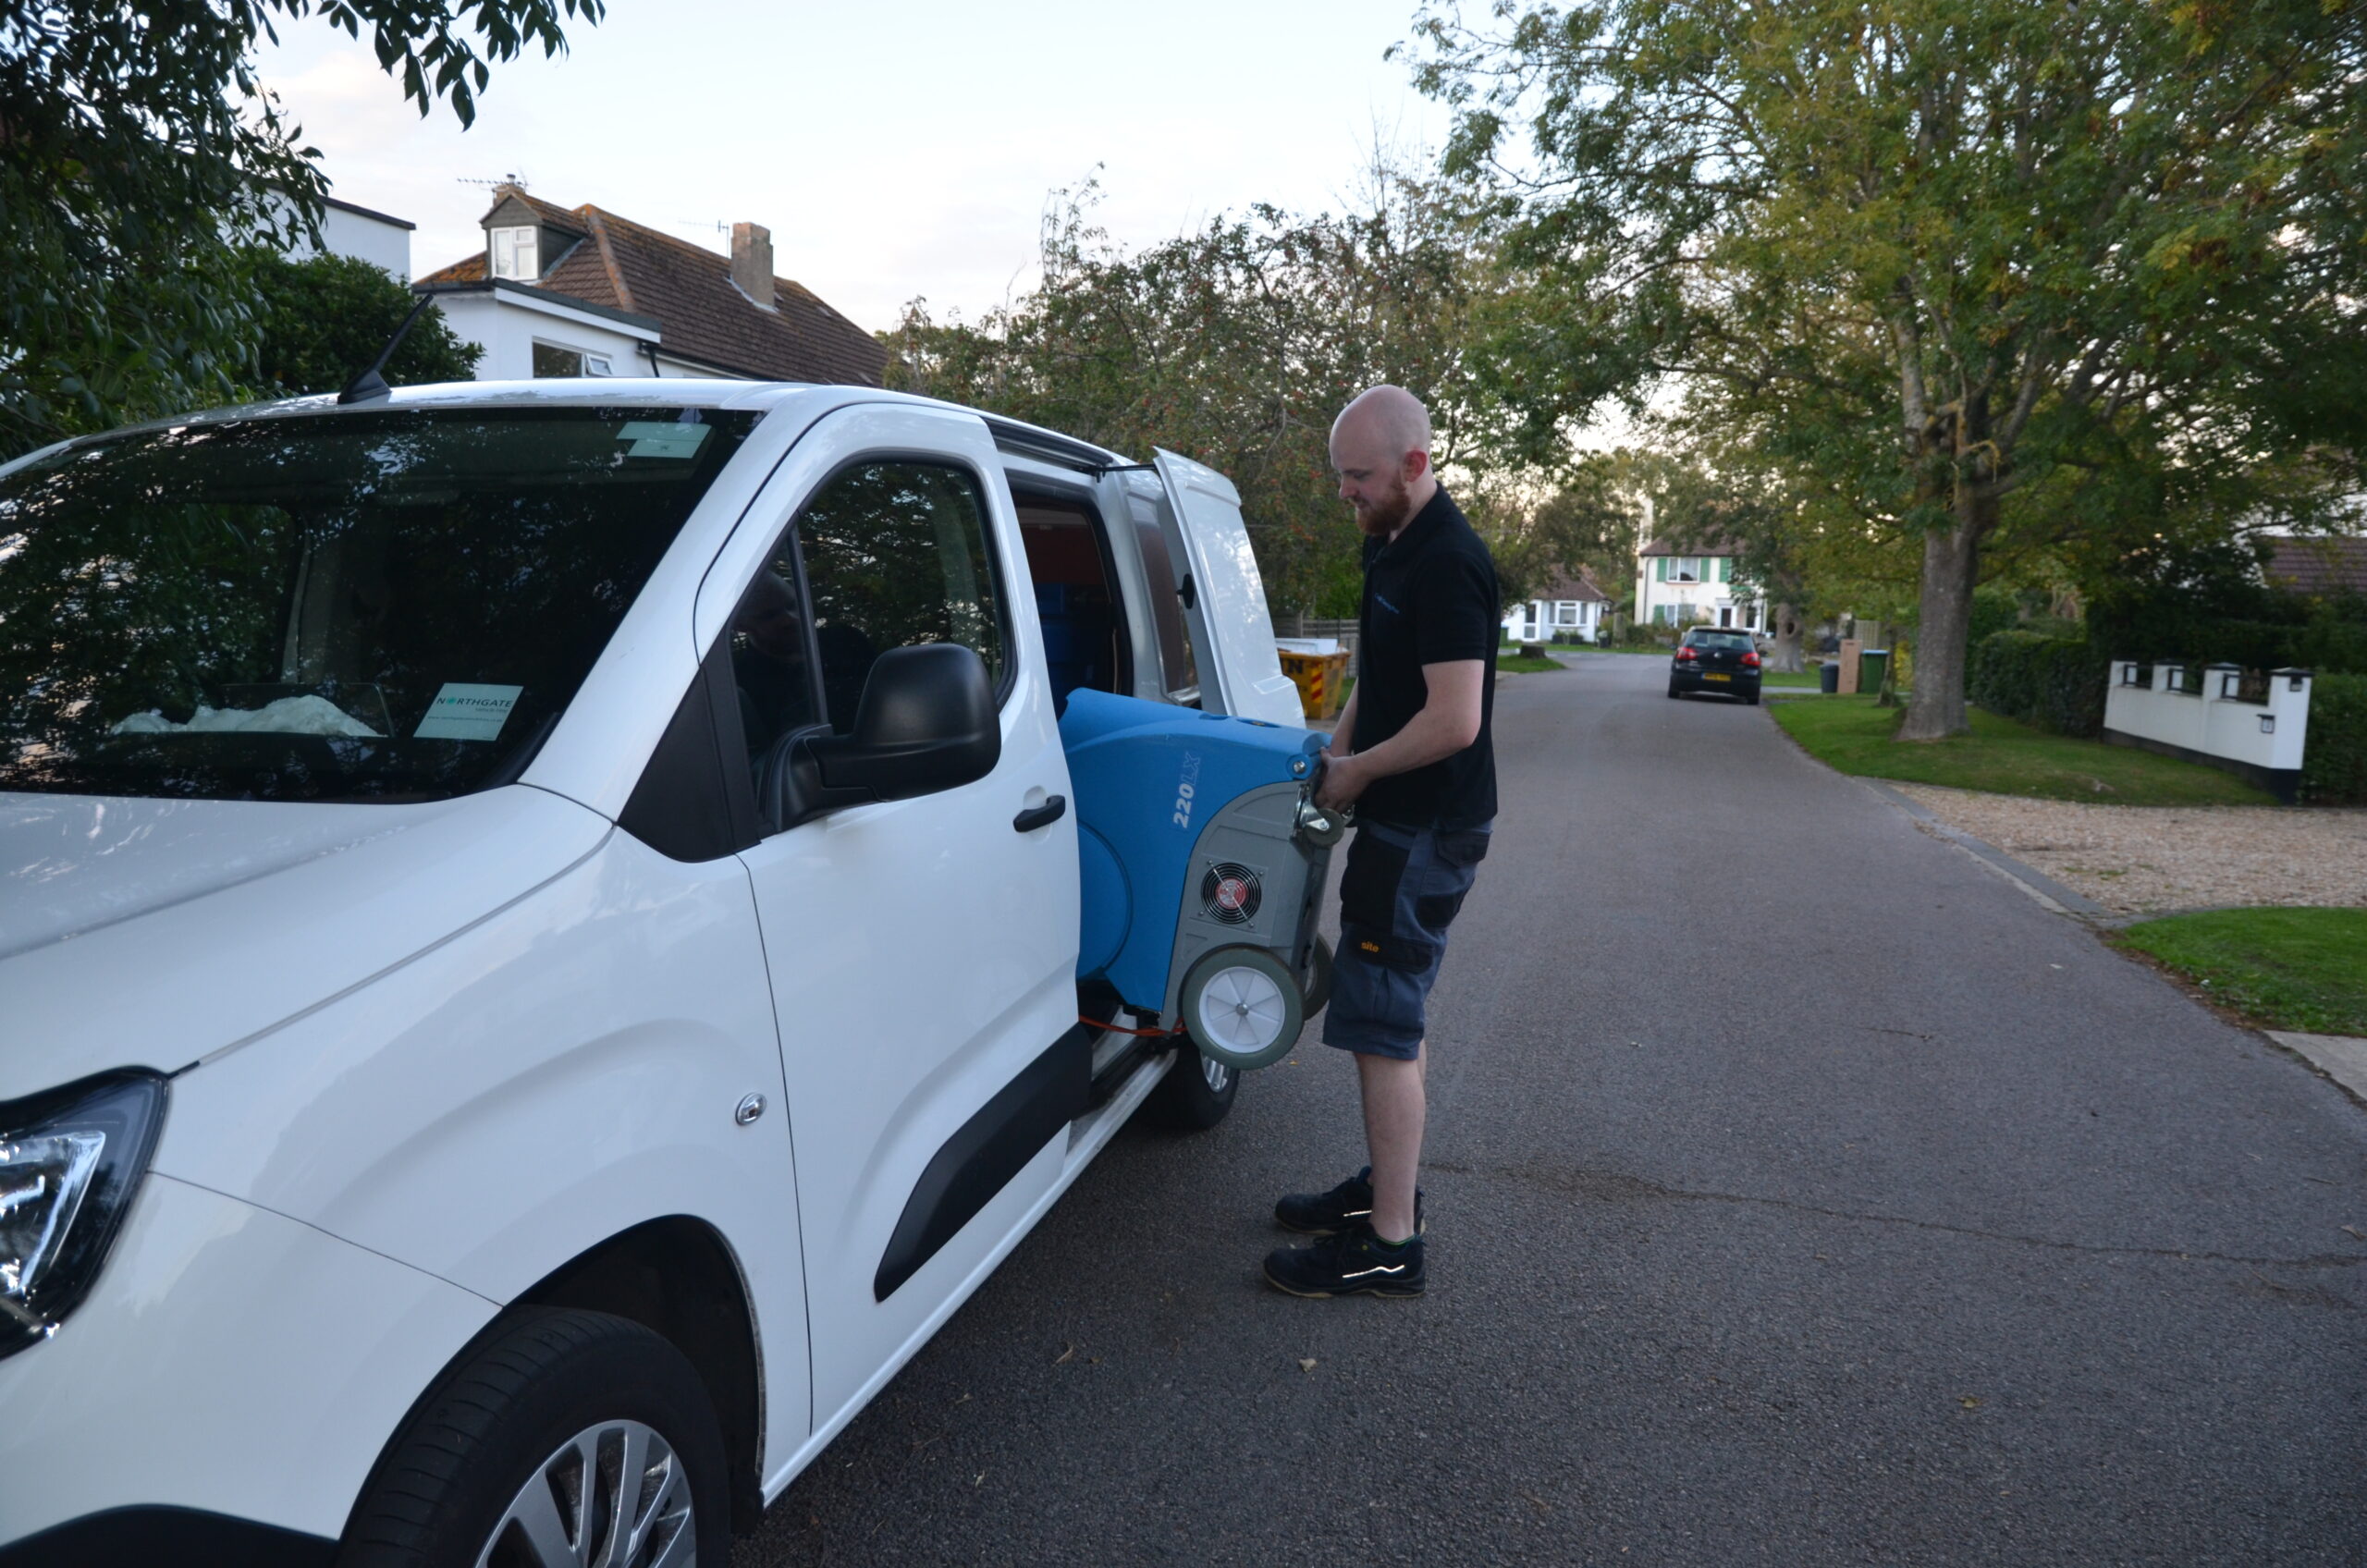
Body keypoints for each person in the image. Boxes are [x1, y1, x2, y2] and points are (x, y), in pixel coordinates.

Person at [1264, 385, 1498, 1300]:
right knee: (1388, 1020)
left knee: (1383, 1022)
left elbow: (1454, 720)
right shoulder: (1391, 546)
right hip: (1400, 821)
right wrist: (1341, 745)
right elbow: (1382, 677)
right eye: (1339, 476)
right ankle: (1385, 1191)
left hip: (1424, 829)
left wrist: (1359, 775)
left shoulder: (1448, 562)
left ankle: (1390, 1243)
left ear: (1412, 464)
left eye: (1357, 476)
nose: (1344, 493)